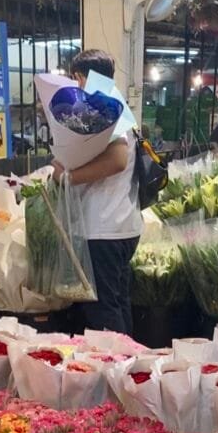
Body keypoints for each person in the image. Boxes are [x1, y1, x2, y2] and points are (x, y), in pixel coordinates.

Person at [52, 48, 141, 335]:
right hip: (121, 224)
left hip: (105, 227)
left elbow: (118, 160)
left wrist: (69, 177)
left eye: (75, 79)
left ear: (80, 77)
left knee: (103, 311)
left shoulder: (106, 106)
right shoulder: (116, 103)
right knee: (117, 305)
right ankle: (128, 360)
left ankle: (116, 362)